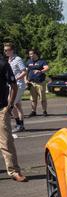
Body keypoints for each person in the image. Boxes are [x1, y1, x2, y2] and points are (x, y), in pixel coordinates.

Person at [0, 51, 27, 181]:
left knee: (6, 141)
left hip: (1, 109)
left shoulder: (3, 64)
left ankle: (14, 171)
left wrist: (9, 106)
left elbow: (14, 86)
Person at [4, 43, 26, 132]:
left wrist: (15, 78)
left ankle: (18, 125)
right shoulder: (9, 59)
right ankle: (21, 125)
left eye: (7, 50)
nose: (5, 51)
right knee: (18, 105)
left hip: (18, 85)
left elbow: (24, 71)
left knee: (10, 104)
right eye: (4, 50)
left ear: (12, 50)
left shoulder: (18, 59)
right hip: (12, 85)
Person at [26, 49, 48, 117]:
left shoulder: (42, 61)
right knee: (33, 99)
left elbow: (47, 68)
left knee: (42, 98)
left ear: (36, 54)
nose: (30, 55)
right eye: (29, 54)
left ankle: (44, 111)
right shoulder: (28, 62)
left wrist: (40, 71)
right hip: (31, 83)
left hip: (40, 83)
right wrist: (25, 80)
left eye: (32, 54)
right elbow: (26, 71)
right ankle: (33, 112)